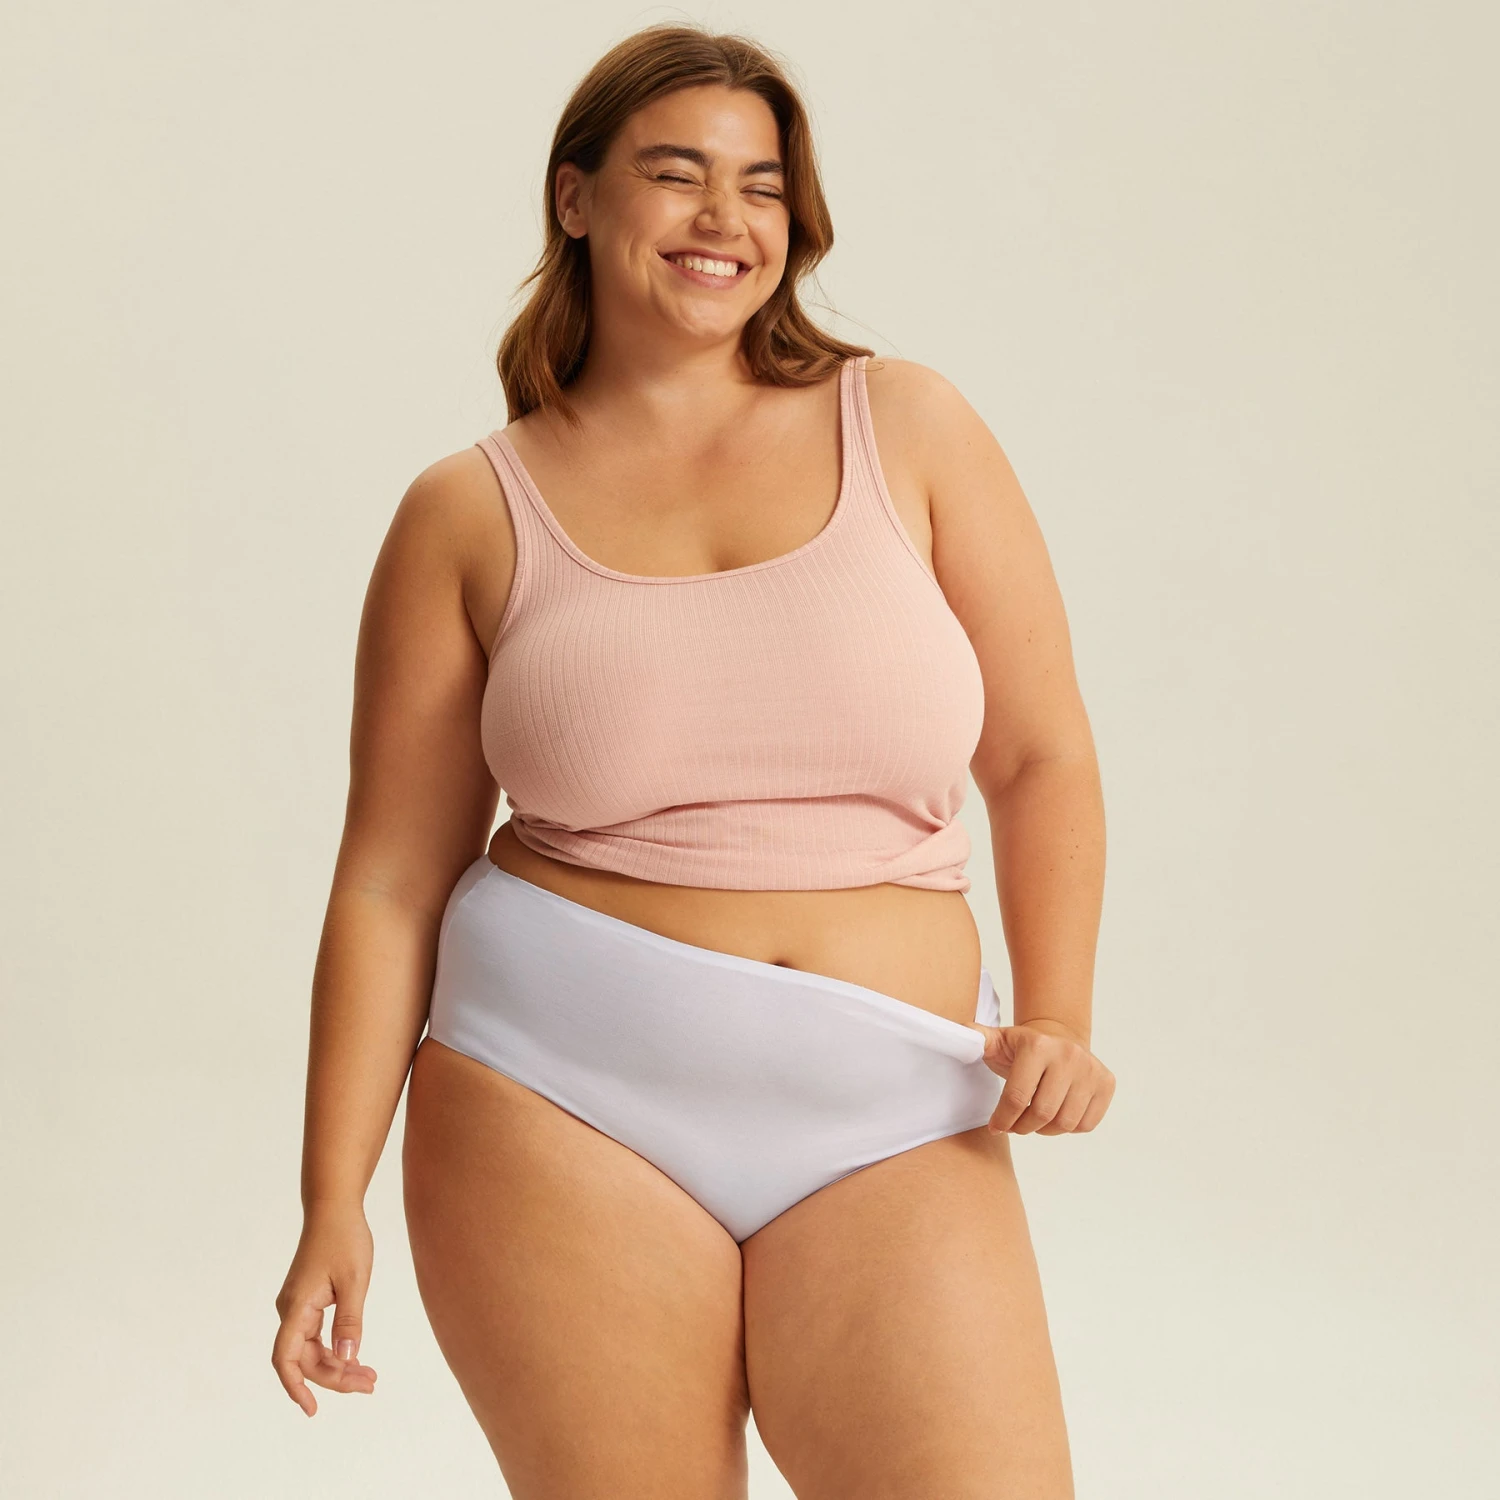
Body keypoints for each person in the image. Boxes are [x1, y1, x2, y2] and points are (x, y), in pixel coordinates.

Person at [272, 22, 1113, 1499]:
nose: (725, 218)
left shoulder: (908, 425)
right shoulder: (467, 513)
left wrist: (1060, 1011)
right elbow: (391, 881)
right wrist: (330, 1196)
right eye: (677, 174)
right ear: (576, 197)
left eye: (762, 185)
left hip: (891, 1105)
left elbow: (1041, 757)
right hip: (554, 1103)